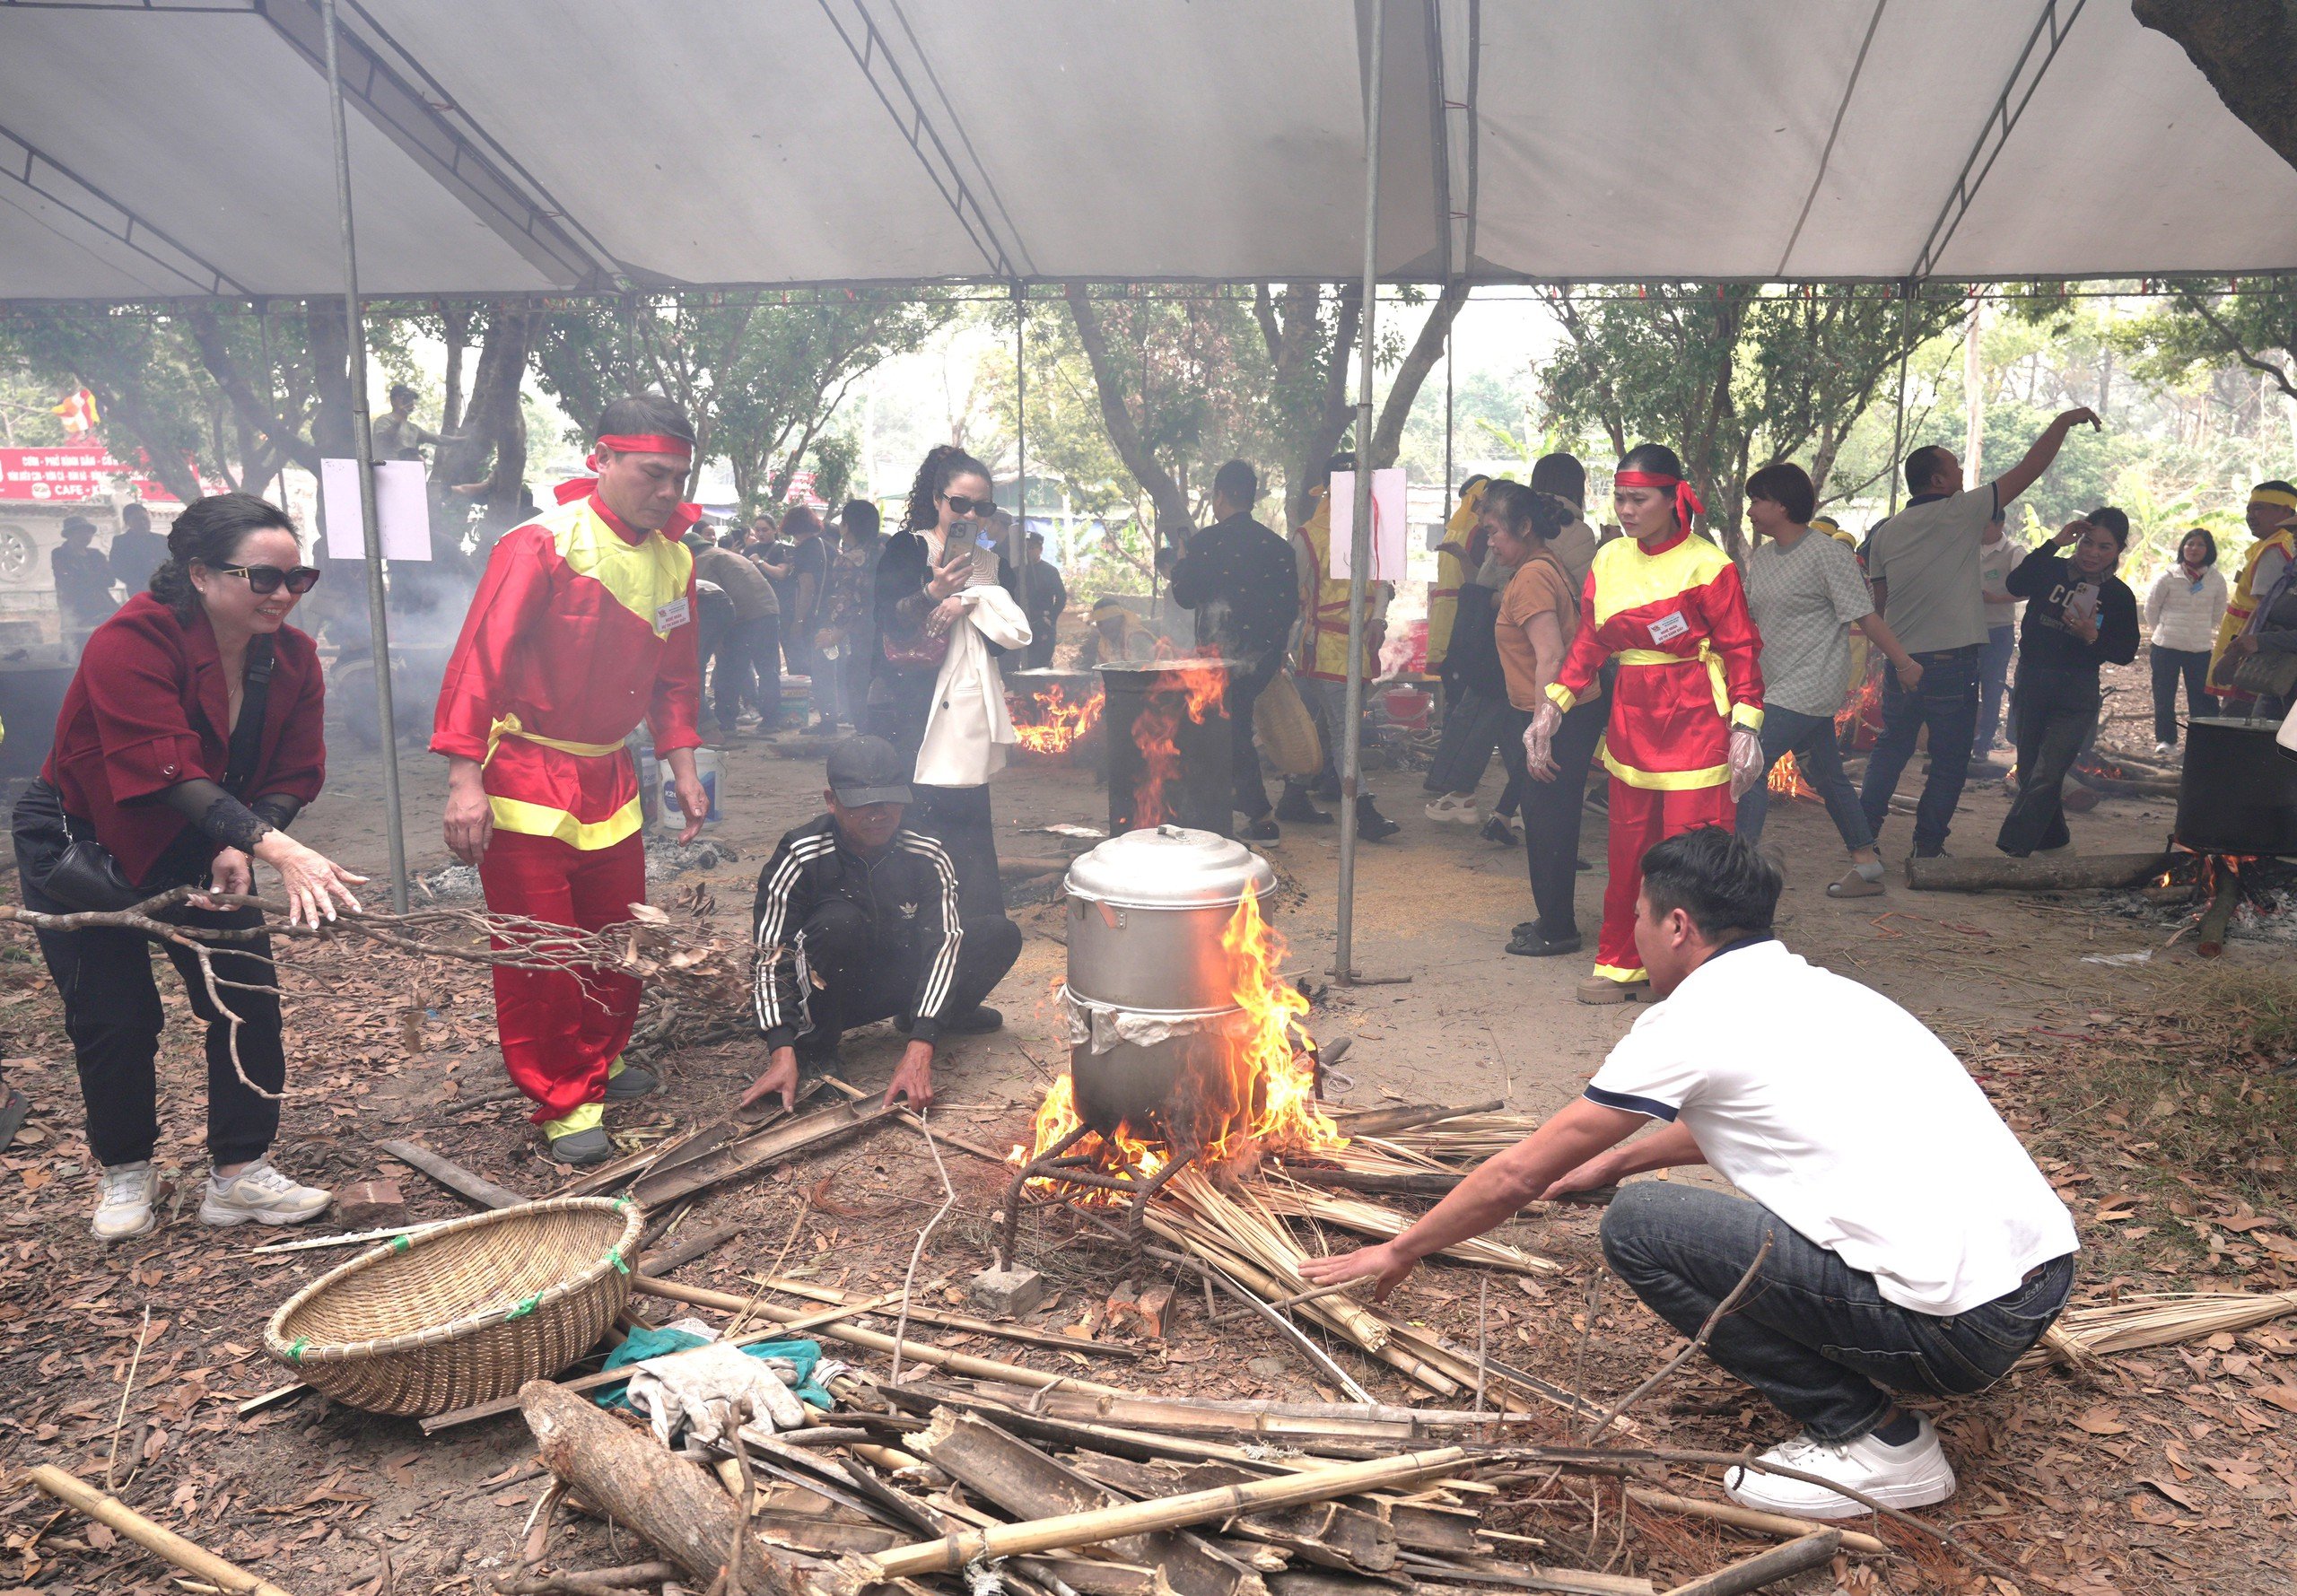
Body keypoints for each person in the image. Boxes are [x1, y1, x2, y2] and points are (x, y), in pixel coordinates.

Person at [1301, 825, 2078, 1521]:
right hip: (2041, 1279)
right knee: (1655, 1201)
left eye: (1637, 914)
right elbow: (1764, 1127)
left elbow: (1514, 1175)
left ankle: (1879, 1440)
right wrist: (1612, 1157)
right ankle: (1883, 1374)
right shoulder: (1824, 991)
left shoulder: (1690, 1023)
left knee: (1640, 1227)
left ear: (1678, 924)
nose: (1631, 932)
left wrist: (1398, 1249)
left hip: (1959, 1333)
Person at [13, 493, 364, 1240]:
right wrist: (276, 849)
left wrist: (242, 838)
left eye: (296, 579)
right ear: (200, 574)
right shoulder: (130, 640)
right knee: (115, 1014)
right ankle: (125, 1170)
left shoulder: (296, 660)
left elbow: (294, 772)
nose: (282, 595)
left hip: (207, 836)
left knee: (246, 996)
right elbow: (161, 766)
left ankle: (237, 1173)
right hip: (82, 841)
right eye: (261, 579)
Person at [431, 396, 711, 1166]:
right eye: (653, 473)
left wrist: (681, 764)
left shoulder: (676, 560)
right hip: (524, 768)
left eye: (678, 477)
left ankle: (602, 1055)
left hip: (610, 774)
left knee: (617, 933)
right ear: (602, 459)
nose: (667, 491)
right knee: (542, 946)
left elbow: (675, 678)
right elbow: (479, 661)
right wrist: (465, 777)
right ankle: (562, 1096)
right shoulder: (542, 543)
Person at [1524, 444, 1763, 1005]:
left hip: (1697, 721)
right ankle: (1621, 961)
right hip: (1632, 719)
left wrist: (1746, 725)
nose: (1626, 510)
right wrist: (1553, 703)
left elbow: (1740, 648)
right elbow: (1589, 640)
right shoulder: (1609, 560)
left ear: (1673, 498)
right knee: (1627, 851)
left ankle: (1702, 973)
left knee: (1694, 855)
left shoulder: (1710, 564)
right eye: (1620, 498)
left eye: (1638, 499)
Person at [1858, 408, 2100, 859]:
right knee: (1949, 760)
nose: (1963, 476)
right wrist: (2063, 421)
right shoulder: (1961, 511)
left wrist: (1890, 658)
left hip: (1901, 661)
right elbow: (2031, 467)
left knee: (1891, 749)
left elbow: (1879, 605)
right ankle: (1928, 848)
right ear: (1938, 481)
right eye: (1955, 469)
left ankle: (1863, 837)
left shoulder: (1885, 532)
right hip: (1950, 662)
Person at [742, 737, 1020, 1112]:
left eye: (889, 801)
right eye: (862, 803)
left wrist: (923, 1042)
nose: (878, 814)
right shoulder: (801, 854)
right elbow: (770, 956)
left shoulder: (925, 852)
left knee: (998, 934)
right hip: (834, 993)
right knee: (838, 922)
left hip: (900, 977)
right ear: (831, 800)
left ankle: (933, 1016)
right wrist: (781, 1045)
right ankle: (817, 1048)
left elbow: (943, 946)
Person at [1734, 463, 1924, 899]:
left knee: (1750, 762)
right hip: (1774, 678)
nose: (1750, 510)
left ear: (1781, 505)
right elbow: (1745, 616)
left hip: (1811, 679)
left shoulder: (1827, 554)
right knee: (1826, 773)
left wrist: (1903, 662)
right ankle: (1867, 864)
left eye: (1757, 500)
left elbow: (1865, 614)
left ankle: (1741, 869)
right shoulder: (1761, 559)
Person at [870, 446, 1031, 929]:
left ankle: (976, 929)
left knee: (967, 813)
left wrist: (972, 600)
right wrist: (933, 593)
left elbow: (1005, 645)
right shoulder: (910, 547)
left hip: (966, 710)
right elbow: (886, 623)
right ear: (938, 501)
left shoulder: (993, 565)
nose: (970, 515)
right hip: (911, 709)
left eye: (982, 508)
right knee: (914, 816)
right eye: (959, 504)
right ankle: (913, 932)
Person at [1481, 484, 1604, 956]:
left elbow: (1550, 657)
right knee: (1549, 814)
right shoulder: (1545, 564)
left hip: (1558, 713)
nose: (1490, 542)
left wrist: (1541, 730)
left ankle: (1557, 929)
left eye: (1494, 531)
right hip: (1571, 708)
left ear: (1524, 527)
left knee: (1548, 819)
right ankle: (1552, 917)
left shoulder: (1532, 576)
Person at [1168, 459, 1300, 841]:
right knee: (1230, 724)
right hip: (1262, 659)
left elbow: (1185, 597)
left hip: (1218, 660)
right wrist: (1274, 654)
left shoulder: (1206, 543)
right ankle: (1226, 804)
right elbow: (1290, 608)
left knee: (1229, 728)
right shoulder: (1277, 546)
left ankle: (1259, 815)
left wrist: (1181, 563)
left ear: (1219, 495)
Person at [1996, 511, 2141, 858]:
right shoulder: (2051, 569)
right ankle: (2055, 842)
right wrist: (2054, 543)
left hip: (2077, 689)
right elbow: (2015, 585)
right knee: (2030, 769)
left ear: (2119, 549)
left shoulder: (2119, 595)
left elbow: (2125, 653)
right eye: (2087, 543)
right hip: (2032, 678)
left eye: (2104, 547)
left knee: (2050, 770)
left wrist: (2093, 638)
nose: (2092, 553)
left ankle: (2013, 848)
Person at [1282, 454, 1399, 839]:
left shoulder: (1373, 529)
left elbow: (1383, 583)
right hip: (1325, 646)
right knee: (1344, 728)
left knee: (1327, 723)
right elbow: (1288, 596)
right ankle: (1363, 810)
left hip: (1359, 647)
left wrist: (1379, 619)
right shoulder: (1308, 536)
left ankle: (1294, 794)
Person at [1421, 498, 1527, 839]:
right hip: (1496, 648)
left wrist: (1489, 601)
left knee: (1475, 719)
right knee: (1509, 729)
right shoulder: (1497, 551)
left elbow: (1506, 597)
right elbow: (1483, 587)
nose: (1490, 539)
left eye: (1491, 529)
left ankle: (1461, 793)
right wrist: (1466, 561)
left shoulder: (1530, 560)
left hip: (1501, 651)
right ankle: (1520, 800)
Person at [2210, 482, 2297, 718]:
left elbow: (2260, 608)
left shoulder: (2274, 551)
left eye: (2259, 508)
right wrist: (2239, 648)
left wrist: (2257, 642)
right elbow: (2265, 609)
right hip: (2274, 671)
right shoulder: (2290, 574)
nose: (2295, 539)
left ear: (2286, 511)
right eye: (2295, 533)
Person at [693, 528, 782, 736]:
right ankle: (771, 720)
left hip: (743, 617)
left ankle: (725, 721)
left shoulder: (702, 561)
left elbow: (712, 600)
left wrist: (718, 638)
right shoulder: (727, 555)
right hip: (768, 611)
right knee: (768, 669)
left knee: (729, 670)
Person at [2145, 528, 2227, 755]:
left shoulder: (2215, 579)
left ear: (2208, 550)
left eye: (2200, 545)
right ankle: (2166, 741)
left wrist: (2198, 631)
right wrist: (2163, 630)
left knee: (2202, 697)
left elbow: (2218, 613)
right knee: (2164, 696)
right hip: (2165, 647)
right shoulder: (2168, 576)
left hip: (2200, 648)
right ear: (2182, 547)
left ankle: (2205, 741)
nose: (2194, 549)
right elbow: (2151, 609)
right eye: (2189, 544)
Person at [814, 500, 883, 734]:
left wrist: (835, 633)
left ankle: (864, 735)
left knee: (857, 684)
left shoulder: (847, 559)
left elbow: (847, 602)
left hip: (861, 631)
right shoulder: (882, 551)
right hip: (886, 628)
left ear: (846, 527)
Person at [1423, 475, 1492, 695]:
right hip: (1465, 615)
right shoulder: (1480, 530)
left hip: (1444, 615)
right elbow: (1484, 579)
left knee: (1452, 686)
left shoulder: (1454, 528)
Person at [1973, 506, 2023, 763]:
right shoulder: (1968, 548)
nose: (1979, 530)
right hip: (1967, 630)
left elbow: (2028, 590)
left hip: (1997, 632)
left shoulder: (2014, 553)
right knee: (1965, 688)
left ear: (2000, 525)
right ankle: (1963, 739)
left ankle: (1983, 744)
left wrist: (1997, 599)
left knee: (1991, 689)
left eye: (1984, 526)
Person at [1000, 529, 1070, 672]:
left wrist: (1051, 617)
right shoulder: (1016, 570)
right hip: (1019, 623)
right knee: (1010, 665)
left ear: (1040, 549)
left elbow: (1061, 597)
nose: (1028, 551)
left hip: (1042, 624)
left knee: (1038, 667)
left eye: (1031, 548)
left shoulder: (1050, 571)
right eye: (1024, 548)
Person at [781, 503, 830, 689]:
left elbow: (807, 588)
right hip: (828, 612)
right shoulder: (826, 547)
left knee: (803, 659)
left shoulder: (803, 551)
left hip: (810, 616)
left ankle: (804, 696)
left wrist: (798, 621)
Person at [51, 516, 116, 642]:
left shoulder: (96, 555)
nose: (86, 535)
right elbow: (67, 580)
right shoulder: (60, 554)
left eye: (88, 532)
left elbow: (110, 580)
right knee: (78, 640)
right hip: (75, 605)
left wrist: (84, 576)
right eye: (81, 532)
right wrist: (94, 577)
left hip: (102, 603)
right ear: (70, 534)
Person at [376, 383, 459, 464]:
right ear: (393, 401)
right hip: (389, 471)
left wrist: (463, 439)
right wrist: (399, 419)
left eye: (410, 399)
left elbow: (438, 439)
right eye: (403, 398)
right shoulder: (384, 420)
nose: (409, 401)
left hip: (411, 471)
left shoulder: (413, 428)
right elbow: (382, 442)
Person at [1077, 596, 1166, 668]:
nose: (1105, 627)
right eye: (1100, 623)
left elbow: (1147, 670)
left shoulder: (1135, 637)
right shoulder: (1103, 644)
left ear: (1121, 619)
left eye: (1110, 621)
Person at [109, 500, 169, 596]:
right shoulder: (121, 542)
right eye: (137, 520)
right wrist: (139, 583)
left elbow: (171, 562)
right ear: (128, 522)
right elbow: (117, 567)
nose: (142, 523)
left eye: (144, 519)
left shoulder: (162, 540)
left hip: (164, 587)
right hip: (138, 589)